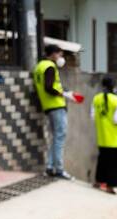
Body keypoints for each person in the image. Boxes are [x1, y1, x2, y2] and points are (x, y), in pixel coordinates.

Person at [32, 44, 72, 180]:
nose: (61, 57)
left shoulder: (39, 66)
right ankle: (59, 169)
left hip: (48, 106)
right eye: (59, 54)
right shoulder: (50, 66)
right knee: (60, 137)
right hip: (56, 106)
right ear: (53, 54)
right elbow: (48, 87)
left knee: (55, 138)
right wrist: (64, 94)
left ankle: (50, 167)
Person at [92, 76, 117, 194]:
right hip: (115, 138)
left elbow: (93, 117)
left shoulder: (96, 99)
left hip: (102, 136)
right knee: (114, 163)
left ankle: (98, 182)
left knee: (103, 160)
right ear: (114, 86)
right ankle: (111, 186)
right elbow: (116, 120)